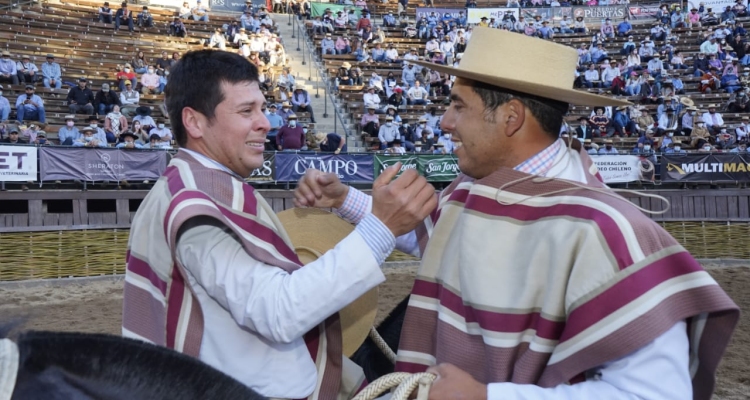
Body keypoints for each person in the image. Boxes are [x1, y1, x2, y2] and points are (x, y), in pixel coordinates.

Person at [295, 28, 739, 400]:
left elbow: (656, 393)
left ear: (510, 117)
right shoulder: (481, 187)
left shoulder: (605, 228)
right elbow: (437, 236)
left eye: (458, 106)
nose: (444, 123)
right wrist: (344, 199)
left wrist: (488, 397)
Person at [122, 49, 436, 399]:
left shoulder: (190, 188)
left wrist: (349, 203)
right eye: (246, 111)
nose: (266, 122)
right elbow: (277, 310)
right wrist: (380, 228)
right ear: (194, 122)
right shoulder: (195, 207)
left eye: (261, 107)